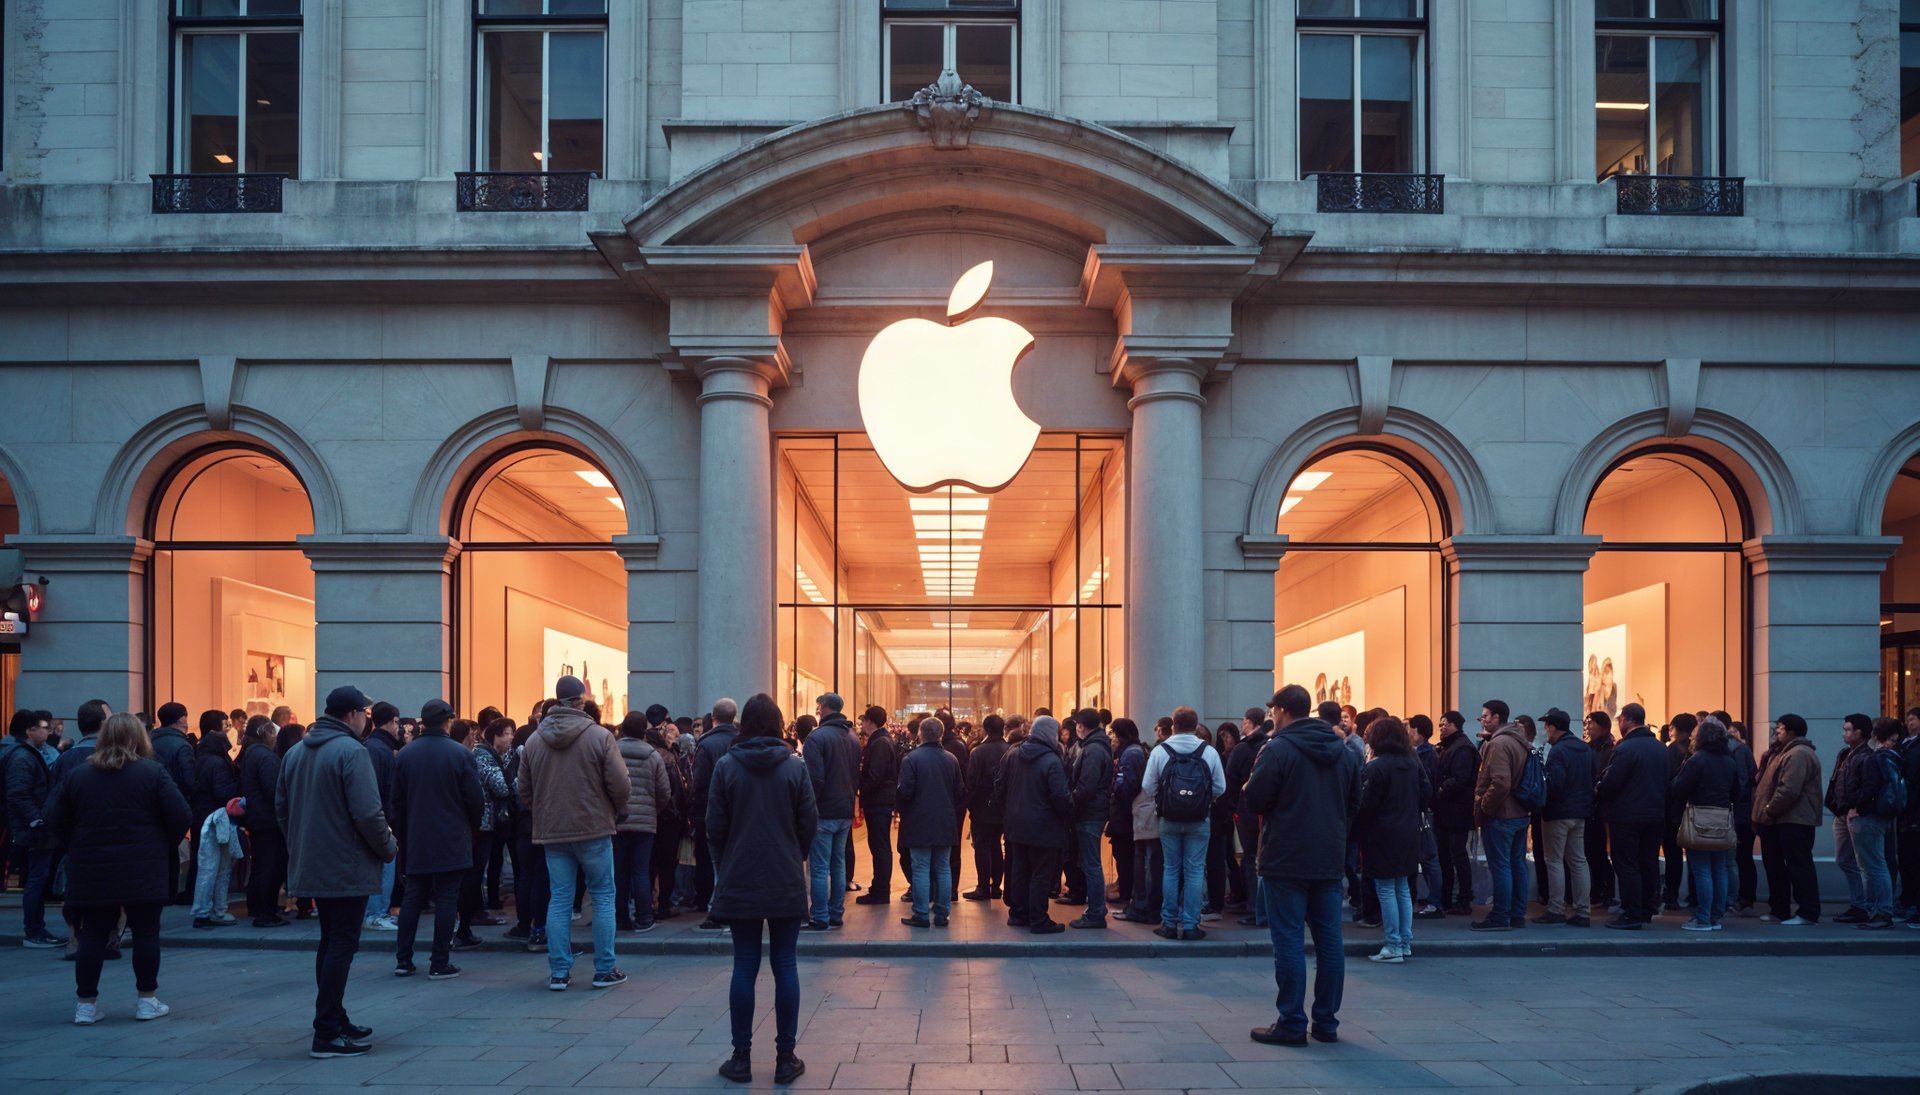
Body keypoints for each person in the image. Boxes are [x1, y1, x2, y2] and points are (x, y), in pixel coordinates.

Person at [44, 713, 191, 1025]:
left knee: (92, 933)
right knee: (147, 932)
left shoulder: (80, 775)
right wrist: (161, 843)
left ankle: (86, 1003)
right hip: (143, 865)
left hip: (92, 866)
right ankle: (146, 999)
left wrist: (77, 843)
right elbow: (180, 814)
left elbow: (53, 817)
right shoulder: (152, 772)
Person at [276, 685, 396, 1058]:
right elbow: (367, 813)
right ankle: (326, 1030)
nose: (367, 722)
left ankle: (334, 1018)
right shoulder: (351, 752)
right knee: (341, 944)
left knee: (331, 941)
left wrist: (300, 845)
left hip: (314, 860)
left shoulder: (296, 752)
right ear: (351, 716)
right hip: (346, 864)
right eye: (365, 715)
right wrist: (388, 848)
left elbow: (281, 808)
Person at [1244, 685, 1362, 1046]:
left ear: (1281, 710)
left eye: (1272, 711)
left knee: (1289, 941)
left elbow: (1255, 798)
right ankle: (1326, 1023)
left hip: (1285, 858)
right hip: (1328, 857)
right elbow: (1354, 803)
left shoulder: (1277, 749)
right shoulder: (1344, 753)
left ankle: (1292, 1022)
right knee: (1330, 941)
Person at [707, 693, 815, 1086]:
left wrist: (726, 861)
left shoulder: (726, 765)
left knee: (744, 965)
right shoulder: (795, 767)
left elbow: (714, 826)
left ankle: (741, 1058)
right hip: (784, 875)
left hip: (741, 874)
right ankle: (786, 1058)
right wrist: (793, 855)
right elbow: (809, 824)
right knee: (785, 965)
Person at [518, 676, 630, 990]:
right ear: (581, 700)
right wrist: (614, 808)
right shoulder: (599, 736)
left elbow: (523, 790)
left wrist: (543, 810)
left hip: (553, 830)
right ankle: (605, 968)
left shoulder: (534, 740)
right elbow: (620, 785)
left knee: (560, 899)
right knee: (604, 896)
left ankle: (558, 972)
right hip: (594, 826)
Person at [389, 700, 483, 980]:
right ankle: (439, 961)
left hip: (417, 836)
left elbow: (396, 801)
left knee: (413, 898)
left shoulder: (406, 755)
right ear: (447, 721)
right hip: (452, 836)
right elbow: (475, 800)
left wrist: (404, 832)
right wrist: (470, 828)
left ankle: (403, 960)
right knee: (446, 899)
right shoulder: (460, 754)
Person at [1141, 706, 1226, 940]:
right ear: (1196, 725)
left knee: (1171, 868)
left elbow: (1147, 786)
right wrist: (1204, 800)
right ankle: (1190, 925)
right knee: (1195, 869)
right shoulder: (1208, 751)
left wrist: (1164, 800)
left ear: (1173, 725)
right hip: (1199, 820)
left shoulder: (1161, 751)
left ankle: (1169, 923)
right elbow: (1220, 787)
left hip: (1168, 818)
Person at [1355, 715, 1429, 963]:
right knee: (1402, 890)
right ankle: (1404, 942)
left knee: (1385, 889)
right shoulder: (1412, 762)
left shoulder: (1376, 767)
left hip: (1381, 834)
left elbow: (1365, 805)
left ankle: (1393, 945)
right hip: (1408, 831)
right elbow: (1426, 794)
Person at [1669, 716, 1747, 931]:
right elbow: (1737, 792)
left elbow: (1679, 788)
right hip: (1722, 817)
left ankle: (1703, 918)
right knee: (1719, 868)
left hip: (1699, 817)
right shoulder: (1729, 760)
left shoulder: (1698, 759)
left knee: (1702, 868)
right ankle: (1715, 916)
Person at [1595, 703, 1666, 930]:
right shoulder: (1660, 748)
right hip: (1655, 815)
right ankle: (1647, 908)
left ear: (1627, 720)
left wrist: (1600, 790)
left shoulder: (1626, 749)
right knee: (1648, 861)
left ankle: (1631, 913)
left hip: (1627, 816)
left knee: (1627, 864)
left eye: (1620, 720)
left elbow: (1612, 783)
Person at [1000, 714, 1072, 934]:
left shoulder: (1012, 753)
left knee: (1020, 869)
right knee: (1041, 873)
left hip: (1016, 823)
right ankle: (1038, 918)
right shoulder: (1052, 759)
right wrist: (1066, 814)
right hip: (1044, 826)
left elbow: (999, 786)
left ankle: (1018, 913)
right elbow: (1060, 795)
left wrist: (1010, 809)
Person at [1752, 713, 1822, 925]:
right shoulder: (1782, 752)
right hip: (1779, 820)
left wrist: (1770, 810)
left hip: (1793, 820)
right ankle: (1779, 909)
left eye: (1780, 728)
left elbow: (1789, 789)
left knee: (1798, 865)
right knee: (1776, 866)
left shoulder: (1798, 753)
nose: (1777, 732)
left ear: (1791, 732)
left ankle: (1807, 912)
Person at [896, 715, 964, 928]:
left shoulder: (911, 759)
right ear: (941, 734)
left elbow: (904, 792)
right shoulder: (951, 759)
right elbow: (959, 791)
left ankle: (921, 913)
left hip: (918, 820)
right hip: (945, 820)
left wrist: (903, 810)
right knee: (943, 867)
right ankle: (943, 913)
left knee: (921, 867)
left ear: (920, 734)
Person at [5, 708, 64, 947]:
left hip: (35, 825)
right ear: (30, 731)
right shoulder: (22, 756)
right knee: (37, 879)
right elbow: (18, 794)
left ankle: (36, 930)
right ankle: (34, 931)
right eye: (44, 727)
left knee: (38, 878)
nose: (48, 731)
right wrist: (36, 820)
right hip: (34, 828)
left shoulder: (28, 753)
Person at [801, 693, 859, 931]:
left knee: (819, 866)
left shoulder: (817, 738)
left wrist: (806, 808)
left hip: (823, 811)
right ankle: (836, 913)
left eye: (818, 707)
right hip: (844, 809)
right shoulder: (853, 737)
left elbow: (814, 780)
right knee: (838, 863)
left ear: (823, 708)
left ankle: (820, 915)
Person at [1469, 704, 1529, 932]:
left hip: (1502, 815)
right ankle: (1515, 914)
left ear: (1496, 717)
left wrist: (1485, 805)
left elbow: (1501, 782)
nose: (1482, 720)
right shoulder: (1518, 739)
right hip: (1520, 812)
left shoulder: (1499, 743)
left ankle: (1501, 916)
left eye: (1485, 716)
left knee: (1502, 866)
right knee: (1516, 865)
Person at [1839, 716, 1901, 930]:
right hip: (1875, 816)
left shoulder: (1871, 757)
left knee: (1874, 865)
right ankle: (1877, 911)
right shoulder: (1881, 756)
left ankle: (1882, 912)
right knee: (1872, 865)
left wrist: (1857, 808)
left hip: (1867, 817)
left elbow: (1869, 787)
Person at [613, 712, 673, 932]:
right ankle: (644, 917)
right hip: (645, 822)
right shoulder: (653, 755)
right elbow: (664, 792)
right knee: (641, 871)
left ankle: (621, 918)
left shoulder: (612, 751)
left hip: (617, 821)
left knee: (619, 871)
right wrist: (651, 810)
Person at [1534, 708, 1592, 927]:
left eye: (1547, 725)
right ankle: (1583, 911)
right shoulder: (1584, 748)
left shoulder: (1558, 751)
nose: (1545, 730)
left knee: (1554, 860)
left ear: (1553, 726)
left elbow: (1555, 784)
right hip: (1580, 812)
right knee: (1578, 861)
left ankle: (1556, 908)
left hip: (1558, 813)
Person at [691, 699, 741, 929]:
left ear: (713, 718)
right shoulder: (741, 741)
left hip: (713, 811)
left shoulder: (706, 745)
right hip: (739, 811)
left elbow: (699, 783)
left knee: (716, 862)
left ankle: (719, 908)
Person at [236, 716, 289, 928]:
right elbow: (273, 789)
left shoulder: (252, 753)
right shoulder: (265, 756)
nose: (276, 737)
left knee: (261, 865)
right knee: (271, 865)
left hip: (258, 818)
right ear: (265, 733)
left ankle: (258, 907)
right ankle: (266, 911)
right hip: (269, 820)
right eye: (273, 733)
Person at [1067, 708, 1114, 929]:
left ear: (1081, 726)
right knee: (1089, 862)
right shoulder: (1096, 746)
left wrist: (1069, 801)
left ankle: (1096, 911)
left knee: (1091, 863)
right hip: (1092, 811)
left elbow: (1086, 786)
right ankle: (1096, 909)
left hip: (1089, 813)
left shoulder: (1093, 749)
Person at [468, 718, 515, 930]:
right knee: (478, 867)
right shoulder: (483, 755)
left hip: (492, 820)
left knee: (488, 863)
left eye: (511, 733)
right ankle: (474, 910)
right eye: (506, 733)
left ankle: (482, 906)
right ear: (494, 736)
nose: (510, 737)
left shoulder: (504, 756)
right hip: (484, 820)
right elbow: (501, 788)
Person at [148, 703, 198, 906]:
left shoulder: (151, 741)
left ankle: (159, 890)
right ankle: (170, 892)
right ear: (181, 719)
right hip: (176, 801)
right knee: (172, 849)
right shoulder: (182, 745)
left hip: (153, 802)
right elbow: (189, 780)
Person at [1430, 710, 1478, 916]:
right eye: (1440, 725)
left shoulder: (1463, 748)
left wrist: (1441, 789)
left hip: (1457, 811)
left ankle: (1463, 899)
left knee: (1458, 856)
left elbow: (1461, 778)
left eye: (1444, 724)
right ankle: (1446, 897)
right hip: (1447, 811)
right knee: (1445, 856)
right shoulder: (1449, 746)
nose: (1441, 728)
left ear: (1455, 726)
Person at [1826, 714, 1873, 924]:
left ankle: (1863, 905)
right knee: (1844, 859)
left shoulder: (1866, 756)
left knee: (1863, 862)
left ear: (1859, 732)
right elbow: (1837, 780)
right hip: (1842, 811)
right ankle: (1859, 904)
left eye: (1848, 729)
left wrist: (1857, 806)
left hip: (1854, 812)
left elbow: (1868, 785)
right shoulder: (1845, 753)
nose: (1844, 733)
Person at [360, 702, 403, 931]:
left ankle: (379, 911)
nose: (399, 728)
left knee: (384, 866)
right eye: (397, 722)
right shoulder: (378, 749)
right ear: (389, 721)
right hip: (382, 819)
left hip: (383, 817)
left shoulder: (377, 747)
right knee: (383, 867)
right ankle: (376, 913)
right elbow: (375, 788)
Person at [1226, 709, 1269, 927]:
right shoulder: (1270, 745)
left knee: (1250, 858)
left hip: (1246, 810)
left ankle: (1253, 905)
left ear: (1250, 722)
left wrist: (1235, 807)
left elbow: (1230, 779)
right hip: (1267, 812)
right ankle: (1261, 905)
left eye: (1244, 721)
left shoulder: (1242, 749)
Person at [961, 714, 1008, 902]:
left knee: (981, 846)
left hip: (982, 806)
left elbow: (971, 782)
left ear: (985, 729)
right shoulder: (1009, 749)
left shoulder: (978, 752)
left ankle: (983, 886)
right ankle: (996, 886)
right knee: (996, 845)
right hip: (1002, 807)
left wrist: (967, 804)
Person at [855, 705, 899, 904]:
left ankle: (880, 890)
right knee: (879, 845)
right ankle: (879, 888)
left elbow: (876, 775)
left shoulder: (880, 742)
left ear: (871, 722)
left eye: (864, 720)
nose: (861, 724)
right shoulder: (882, 740)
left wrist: (861, 787)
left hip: (879, 801)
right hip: (880, 800)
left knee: (880, 846)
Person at [1661, 713, 1698, 912]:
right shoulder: (1696, 751)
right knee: (1694, 854)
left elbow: (1665, 780)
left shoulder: (1671, 750)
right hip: (1692, 810)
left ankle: (1671, 894)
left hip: (1671, 810)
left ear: (1675, 728)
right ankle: (1694, 895)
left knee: (1672, 855)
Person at [1584, 711, 1617, 916]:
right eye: (1587, 723)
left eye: (1592, 724)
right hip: (1592, 806)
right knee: (1591, 851)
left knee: (1601, 852)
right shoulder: (1590, 748)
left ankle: (1605, 890)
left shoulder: (1609, 750)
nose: (1588, 727)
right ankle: (1597, 889)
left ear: (1604, 727)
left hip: (1603, 808)